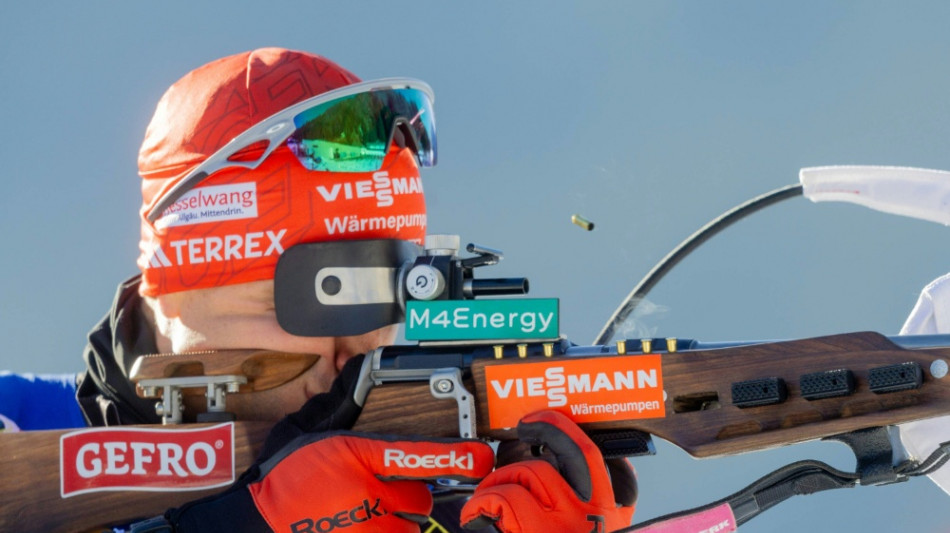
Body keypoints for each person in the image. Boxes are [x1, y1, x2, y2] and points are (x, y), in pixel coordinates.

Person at [71, 48, 636, 532]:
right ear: (167, 297)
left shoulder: (450, 498)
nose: (353, 351)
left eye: (384, 300)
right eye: (302, 303)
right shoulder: (25, 432)